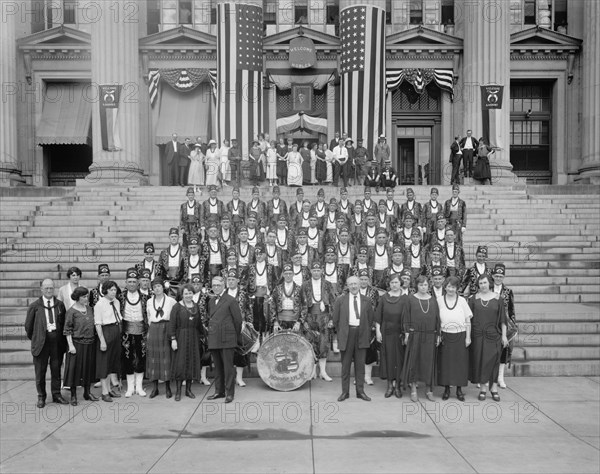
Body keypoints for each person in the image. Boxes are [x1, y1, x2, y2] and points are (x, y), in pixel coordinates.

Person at [25, 279, 68, 408]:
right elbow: (28, 327)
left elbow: (64, 323)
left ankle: (56, 395)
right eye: (46, 288)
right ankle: (41, 397)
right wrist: (37, 338)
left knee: (56, 370)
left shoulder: (60, 305)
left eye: (51, 288)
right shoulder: (35, 306)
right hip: (41, 343)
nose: (49, 290)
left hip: (56, 341)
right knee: (40, 371)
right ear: (41, 289)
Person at [332, 276, 375, 402]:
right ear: (347, 285)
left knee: (360, 365)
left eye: (356, 283)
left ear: (360, 284)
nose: (354, 286)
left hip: (361, 334)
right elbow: (335, 320)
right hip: (347, 334)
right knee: (345, 366)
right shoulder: (341, 300)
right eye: (351, 284)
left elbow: (370, 319)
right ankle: (345, 392)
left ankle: (360, 392)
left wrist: (365, 332)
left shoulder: (367, 300)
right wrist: (342, 332)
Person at [468, 274, 508, 402]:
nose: (483, 285)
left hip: (493, 335)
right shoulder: (473, 299)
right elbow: (468, 319)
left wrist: (504, 336)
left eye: (485, 282)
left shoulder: (498, 299)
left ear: (489, 283)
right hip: (478, 336)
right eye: (480, 283)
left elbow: (503, 319)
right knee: (481, 362)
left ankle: (494, 388)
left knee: (494, 362)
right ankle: (483, 389)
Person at [402, 276, 441, 402]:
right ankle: (413, 388)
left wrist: (438, 334)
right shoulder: (410, 299)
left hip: (430, 335)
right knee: (414, 362)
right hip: (415, 334)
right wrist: (407, 332)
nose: (423, 287)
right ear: (416, 286)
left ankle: (429, 389)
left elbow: (437, 318)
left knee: (428, 362)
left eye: (425, 285)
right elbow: (406, 316)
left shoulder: (433, 300)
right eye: (421, 285)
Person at [206, 276, 243, 403]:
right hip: (214, 338)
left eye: (218, 285)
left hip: (227, 338)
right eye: (214, 285)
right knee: (218, 368)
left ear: (224, 286)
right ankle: (219, 391)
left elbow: (238, 321)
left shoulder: (230, 300)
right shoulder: (211, 302)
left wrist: (234, 336)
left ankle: (229, 393)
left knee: (228, 368)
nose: (216, 288)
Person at [437, 276, 472, 401]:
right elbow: (436, 320)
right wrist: (438, 335)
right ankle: (446, 389)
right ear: (445, 287)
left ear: (457, 288)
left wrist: (468, 337)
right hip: (445, 335)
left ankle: (459, 390)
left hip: (460, 335)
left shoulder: (462, 300)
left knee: (460, 364)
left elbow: (468, 320)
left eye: (453, 287)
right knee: (446, 363)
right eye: (449, 286)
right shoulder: (439, 300)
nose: (451, 289)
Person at [301, 261, 336, 381]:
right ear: (310, 271)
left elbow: (333, 302)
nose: (316, 273)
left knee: (324, 343)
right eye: (314, 270)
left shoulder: (327, 284)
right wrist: (303, 320)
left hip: (324, 316)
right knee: (311, 342)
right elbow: (301, 303)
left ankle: (323, 371)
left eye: (318, 270)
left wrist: (331, 318)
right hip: (310, 315)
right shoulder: (305, 285)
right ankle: (312, 371)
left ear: (322, 271)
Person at [63, 286, 98, 405]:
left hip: (90, 343)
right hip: (77, 344)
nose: (86, 298)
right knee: (74, 370)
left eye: (87, 296)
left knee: (88, 368)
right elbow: (67, 330)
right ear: (77, 298)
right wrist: (71, 345)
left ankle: (87, 392)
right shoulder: (71, 312)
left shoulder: (90, 309)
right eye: (83, 296)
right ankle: (73, 395)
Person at [375, 273, 407, 398]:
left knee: (399, 359)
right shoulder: (383, 298)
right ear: (389, 284)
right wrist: (378, 332)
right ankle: (389, 385)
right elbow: (378, 317)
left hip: (400, 334)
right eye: (392, 283)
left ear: (401, 283)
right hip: (386, 332)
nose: (394, 285)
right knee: (388, 358)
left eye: (397, 282)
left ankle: (398, 385)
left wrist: (406, 334)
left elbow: (408, 317)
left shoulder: (405, 299)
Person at [169, 284, 204, 401]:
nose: (188, 295)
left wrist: (204, 335)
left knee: (192, 363)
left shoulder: (196, 306)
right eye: (186, 293)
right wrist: (173, 339)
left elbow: (199, 324)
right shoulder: (177, 307)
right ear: (182, 295)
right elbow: (172, 324)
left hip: (193, 337)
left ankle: (188, 390)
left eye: (190, 293)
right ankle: (178, 391)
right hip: (181, 337)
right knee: (180, 364)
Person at [118, 268, 149, 398]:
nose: (132, 284)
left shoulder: (145, 297)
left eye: (134, 281)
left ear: (138, 283)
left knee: (141, 357)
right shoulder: (120, 297)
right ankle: (130, 387)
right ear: (126, 282)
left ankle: (140, 386)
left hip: (141, 330)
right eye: (129, 281)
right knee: (128, 358)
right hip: (126, 331)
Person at [146, 278, 176, 399]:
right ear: (152, 289)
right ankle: (155, 388)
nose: (157, 289)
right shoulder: (149, 301)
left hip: (166, 328)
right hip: (154, 329)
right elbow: (148, 316)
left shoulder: (171, 301)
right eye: (154, 287)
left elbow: (173, 317)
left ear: (163, 287)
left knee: (165, 357)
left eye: (159, 286)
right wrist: (151, 329)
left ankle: (168, 387)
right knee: (153, 358)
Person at [94, 280, 123, 402]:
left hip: (116, 331)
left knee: (112, 363)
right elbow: (98, 324)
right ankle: (104, 392)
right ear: (105, 291)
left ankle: (110, 389)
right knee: (104, 364)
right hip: (106, 332)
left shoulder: (116, 302)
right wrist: (102, 341)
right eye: (111, 290)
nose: (113, 292)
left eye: (115, 290)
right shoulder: (99, 304)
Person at [224, 268, 252, 387]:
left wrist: (247, 323)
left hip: (240, 326)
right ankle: (229, 378)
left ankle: (239, 378)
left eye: (233, 279)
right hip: (226, 327)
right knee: (227, 352)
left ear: (237, 281)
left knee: (240, 352)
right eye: (229, 279)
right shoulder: (223, 294)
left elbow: (248, 310)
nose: (230, 282)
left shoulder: (243, 294)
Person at [492, 263, 516, 389]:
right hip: (489, 324)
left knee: (503, 351)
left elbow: (511, 310)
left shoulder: (508, 291)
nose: (498, 278)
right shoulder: (487, 289)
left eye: (501, 276)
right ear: (492, 276)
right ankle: (486, 377)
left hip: (503, 325)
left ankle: (500, 378)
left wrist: (513, 326)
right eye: (496, 276)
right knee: (489, 352)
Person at [271, 263, 305, 331]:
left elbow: (305, 305)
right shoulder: (277, 289)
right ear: (283, 274)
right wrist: (275, 322)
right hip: (280, 321)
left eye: (290, 273)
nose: (288, 276)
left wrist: (299, 322)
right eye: (286, 274)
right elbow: (272, 305)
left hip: (295, 322)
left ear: (293, 274)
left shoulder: (299, 289)